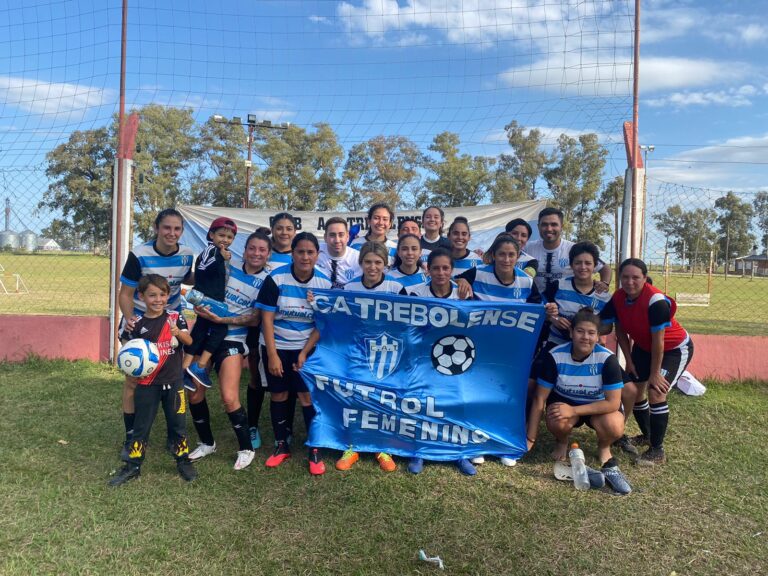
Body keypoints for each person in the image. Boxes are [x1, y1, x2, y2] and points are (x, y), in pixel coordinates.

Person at [186, 231, 271, 471]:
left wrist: (222, 320)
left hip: (232, 340)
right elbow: (204, 287)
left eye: (262, 250)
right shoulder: (228, 266)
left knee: (229, 397)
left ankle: (246, 448)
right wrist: (199, 304)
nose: (256, 253)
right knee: (194, 393)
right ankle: (206, 442)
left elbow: (255, 320)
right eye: (252, 248)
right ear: (244, 251)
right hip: (205, 334)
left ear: (268, 254)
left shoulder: (268, 280)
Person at [454, 233, 541, 467]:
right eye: (501, 254)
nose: (506, 259)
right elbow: (456, 281)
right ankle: (477, 442)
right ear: (492, 255)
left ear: (518, 257)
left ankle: (504, 444)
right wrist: (461, 281)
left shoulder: (526, 282)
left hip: (511, 353)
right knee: (478, 394)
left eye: (511, 254)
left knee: (508, 397)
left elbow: (537, 312)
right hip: (480, 349)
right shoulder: (478, 273)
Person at [526, 308, 631, 494]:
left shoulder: (608, 359)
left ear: (598, 337)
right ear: (571, 332)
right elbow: (539, 398)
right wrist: (530, 438)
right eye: (580, 331)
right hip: (566, 403)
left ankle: (604, 447)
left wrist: (574, 411)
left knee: (614, 424)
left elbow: (613, 403)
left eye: (591, 333)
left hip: (597, 408)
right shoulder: (555, 355)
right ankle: (562, 441)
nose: (585, 337)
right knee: (556, 416)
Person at [118, 208, 195, 459]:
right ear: (156, 228)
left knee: (172, 380)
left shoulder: (186, 255)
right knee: (134, 380)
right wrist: (131, 321)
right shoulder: (139, 254)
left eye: (177, 229)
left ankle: (175, 437)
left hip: (170, 324)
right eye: (167, 228)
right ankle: (132, 438)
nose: (172, 233)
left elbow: (193, 280)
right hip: (140, 322)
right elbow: (126, 294)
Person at [601, 258, 694, 465]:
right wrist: (630, 360)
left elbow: (659, 342)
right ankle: (648, 435)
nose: (629, 282)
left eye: (635, 277)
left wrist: (654, 373)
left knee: (656, 391)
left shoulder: (656, 301)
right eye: (625, 277)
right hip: (643, 347)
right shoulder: (618, 298)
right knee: (635, 389)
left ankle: (657, 450)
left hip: (673, 349)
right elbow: (620, 330)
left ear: (645, 278)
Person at [109, 274, 197, 486]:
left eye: (162, 295)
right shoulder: (137, 323)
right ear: (141, 296)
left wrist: (178, 333)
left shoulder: (175, 317)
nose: (158, 299)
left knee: (178, 424)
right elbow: (128, 350)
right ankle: (133, 465)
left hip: (174, 382)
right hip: (148, 384)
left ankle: (183, 461)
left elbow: (189, 341)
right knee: (141, 426)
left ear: (168, 296)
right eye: (152, 295)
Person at [256, 232, 332, 475]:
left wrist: (304, 353)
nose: (305, 257)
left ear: (318, 255)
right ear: (292, 253)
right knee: (278, 395)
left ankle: (314, 447)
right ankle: (281, 445)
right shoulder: (275, 278)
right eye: (300, 251)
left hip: (306, 349)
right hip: (276, 346)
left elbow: (322, 325)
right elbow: (266, 319)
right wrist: (272, 355)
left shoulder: (324, 283)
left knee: (307, 397)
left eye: (310, 252)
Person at [401, 248, 477, 476]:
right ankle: (419, 450)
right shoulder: (413, 292)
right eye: (436, 268)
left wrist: (465, 305)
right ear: (428, 269)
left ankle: (460, 452)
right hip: (422, 360)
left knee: (456, 403)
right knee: (422, 403)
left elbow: (477, 326)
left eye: (445, 268)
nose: (441, 272)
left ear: (452, 270)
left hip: (454, 361)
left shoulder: (464, 293)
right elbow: (402, 325)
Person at [333, 241, 404, 473]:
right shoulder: (351, 287)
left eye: (378, 262)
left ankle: (382, 447)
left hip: (387, 353)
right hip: (357, 353)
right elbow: (338, 318)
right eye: (368, 262)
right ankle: (352, 446)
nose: (372, 267)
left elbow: (409, 322)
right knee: (355, 398)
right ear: (361, 263)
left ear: (386, 264)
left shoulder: (395, 288)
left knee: (383, 400)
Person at [183, 217, 238, 389]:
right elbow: (202, 268)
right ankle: (199, 367)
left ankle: (184, 370)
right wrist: (220, 258)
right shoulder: (211, 251)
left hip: (210, 299)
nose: (225, 240)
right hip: (207, 300)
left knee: (199, 332)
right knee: (220, 328)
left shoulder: (218, 253)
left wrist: (224, 259)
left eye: (229, 237)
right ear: (211, 235)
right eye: (221, 235)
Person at [524, 207, 612, 294]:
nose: (549, 229)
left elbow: (605, 269)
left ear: (561, 227)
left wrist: (605, 284)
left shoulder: (574, 249)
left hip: (565, 303)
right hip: (533, 302)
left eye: (554, 224)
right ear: (538, 226)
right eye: (544, 224)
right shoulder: (528, 248)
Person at [316, 216, 361, 289]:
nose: (337, 240)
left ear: (347, 237)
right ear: (325, 237)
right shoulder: (314, 252)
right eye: (332, 235)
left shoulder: (358, 259)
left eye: (341, 235)